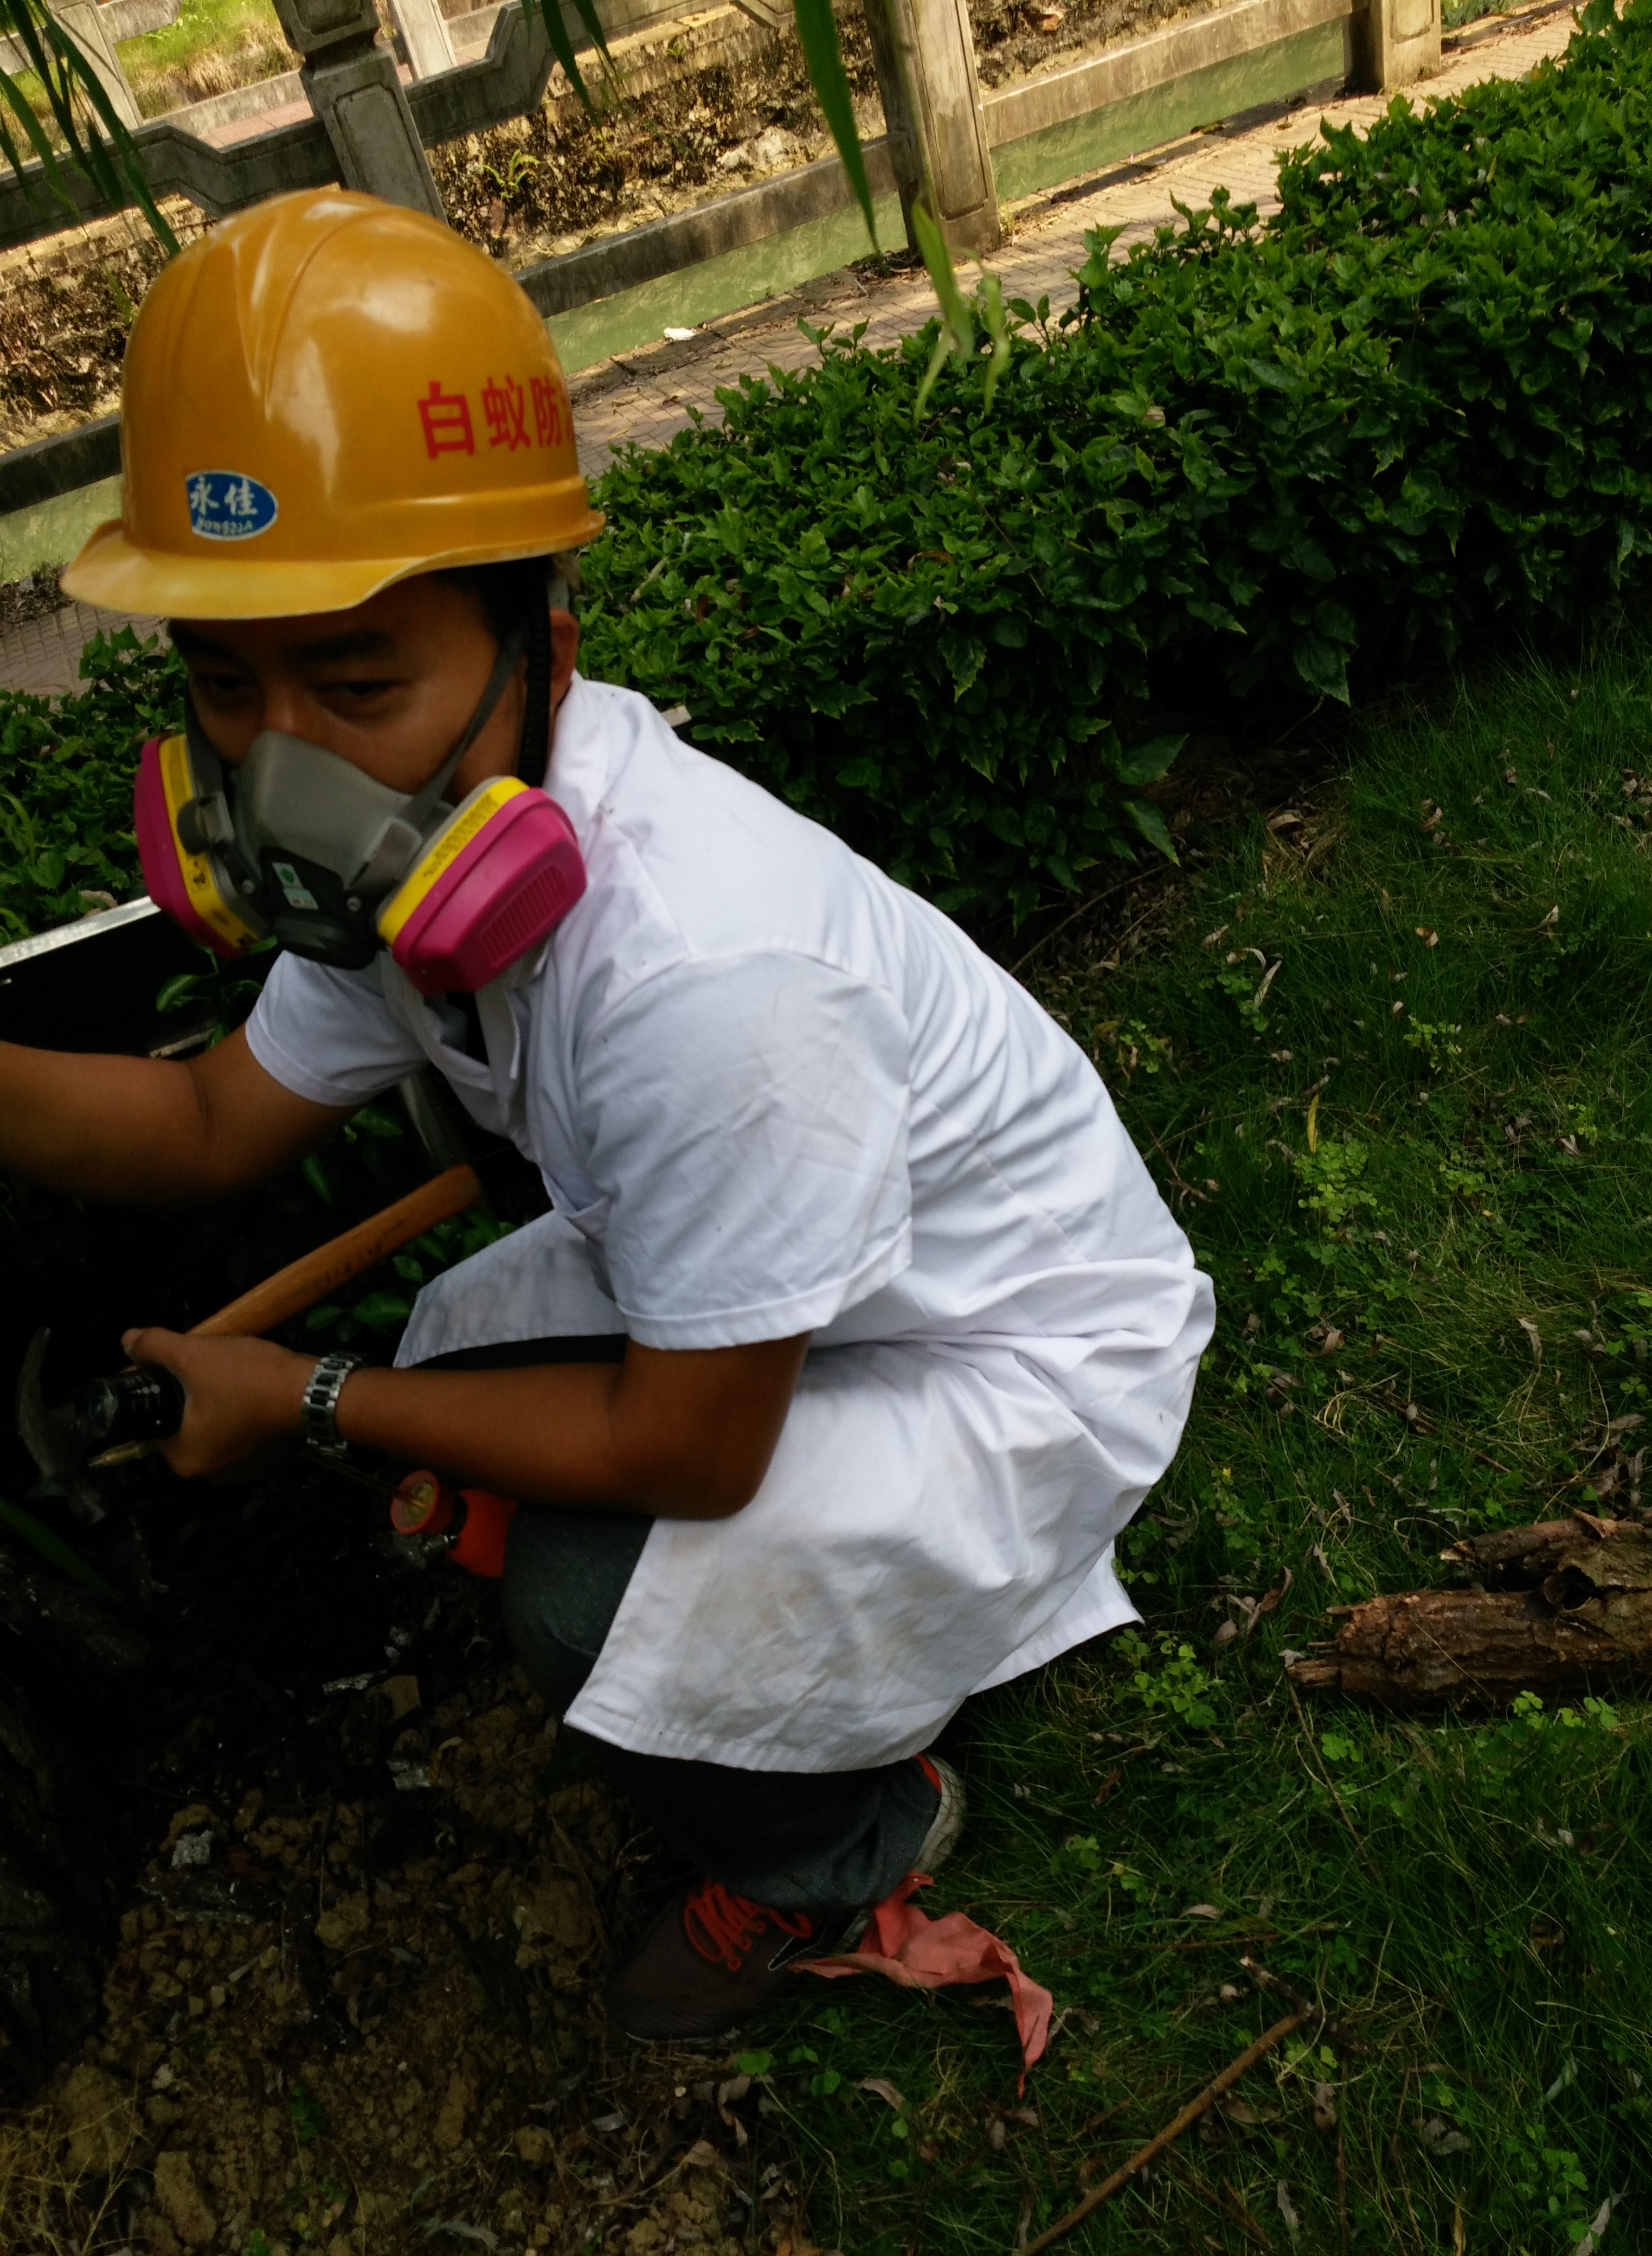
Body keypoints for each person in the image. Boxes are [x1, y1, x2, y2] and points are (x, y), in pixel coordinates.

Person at [19, 188, 1215, 2040]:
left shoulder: (702, 986)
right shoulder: (410, 855)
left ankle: (840, 1849)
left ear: (542, 661)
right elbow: (202, 1132)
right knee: (472, 1373)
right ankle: (791, 1673)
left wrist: (309, 1400)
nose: (278, 774)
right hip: (824, 1291)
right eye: (222, 684)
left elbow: (691, 1454)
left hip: (1025, 1358)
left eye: (353, 681)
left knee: (580, 1598)